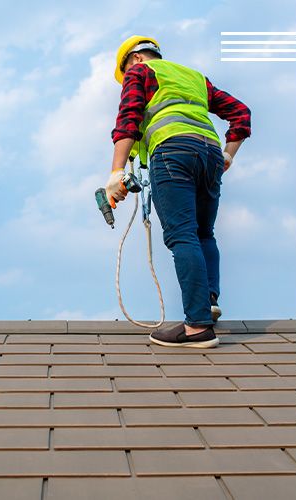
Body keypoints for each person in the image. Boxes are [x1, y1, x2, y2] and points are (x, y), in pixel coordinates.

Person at [106, 35, 251, 348]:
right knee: (203, 233)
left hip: (172, 152)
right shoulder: (195, 78)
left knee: (181, 235)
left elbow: (128, 120)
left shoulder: (140, 73)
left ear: (134, 60)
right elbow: (241, 112)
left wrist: (116, 172)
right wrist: (228, 155)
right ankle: (207, 303)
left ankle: (197, 327)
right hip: (210, 153)